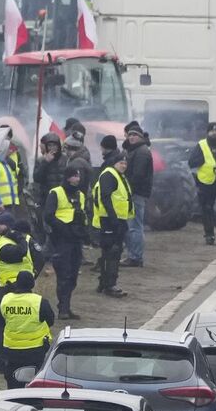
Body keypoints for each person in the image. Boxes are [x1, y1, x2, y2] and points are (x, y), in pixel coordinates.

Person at [0, 272, 57, 386]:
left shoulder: (6, 300)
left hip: (11, 349)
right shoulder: (39, 301)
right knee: (34, 381)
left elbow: (0, 322)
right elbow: (50, 321)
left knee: (13, 382)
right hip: (35, 350)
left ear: (17, 283)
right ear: (32, 284)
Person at [46, 164, 89, 319]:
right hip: (61, 240)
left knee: (72, 276)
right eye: (74, 175)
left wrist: (84, 233)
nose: (77, 179)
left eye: (78, 176)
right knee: (63, 275)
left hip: (76, 240)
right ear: (67, 177)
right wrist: (64, 229)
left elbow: (82, 215)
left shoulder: (80, 195)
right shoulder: (56, 193)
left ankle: (66, 306)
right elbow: (48, 216)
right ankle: (63, 308)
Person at [90, 154, 133, 297]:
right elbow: (105, 198)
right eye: (121, 163)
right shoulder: (109, 175)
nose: (124, 166)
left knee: (109, 252)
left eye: (126, 164)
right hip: (109, 220)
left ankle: (104, 283)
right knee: (112, 252)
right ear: (114, 163)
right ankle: (110, 285)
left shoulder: (118, 176)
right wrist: (114, 219)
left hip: (116, 220)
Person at [121, 122, 155, 266]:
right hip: (134, 193)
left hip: (135, 193)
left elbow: (138, 175)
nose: (132, 137)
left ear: (140, 137)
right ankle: (134, 255)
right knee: (133, 225)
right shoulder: (136, 150)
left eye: (135, 135)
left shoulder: (141, 152)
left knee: (134, 226)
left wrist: (128, 189)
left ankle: (135, 257)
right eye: (130, 135)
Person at [31, 133, 66, 199]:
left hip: (63, 195)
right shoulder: (41, 160)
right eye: (50, 145)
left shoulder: (65, 159)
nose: (52, 148)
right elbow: (37, 178)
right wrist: (45, 162)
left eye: (54, 145)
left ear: (58, 146)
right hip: (47, 196)